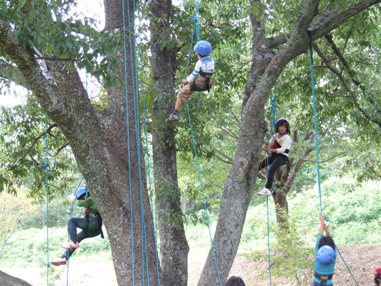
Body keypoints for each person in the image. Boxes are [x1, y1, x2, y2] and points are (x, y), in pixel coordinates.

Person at [51, 186, 103, 266]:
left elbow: (79, 204)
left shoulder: (91, 199)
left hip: (93, 224)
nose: (81, 199)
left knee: (72, 221)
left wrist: (74, 198)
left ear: (85, 195)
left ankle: (74, 242)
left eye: (82, 197)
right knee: (76, 238)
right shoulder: (90, 200)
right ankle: (64, 258)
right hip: (93, 229)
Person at [166, 40, 215, 122]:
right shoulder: (212, 60)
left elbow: (194, 73)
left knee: (181, 93)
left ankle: (175, 113)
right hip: (209, 83)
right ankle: (187, 94)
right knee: (191, 81)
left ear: (200, 54)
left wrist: (187, 81)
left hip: (200, 84)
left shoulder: (199, 62)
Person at [257, 118, 291, 196]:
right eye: (281, 126)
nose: (283, 128)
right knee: (260, 165)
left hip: (282, 157)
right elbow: (269, 144)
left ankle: (267, 189)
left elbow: (282, 149)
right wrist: (267, 145)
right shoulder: (275, 136)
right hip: (274, 156)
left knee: (271, 170)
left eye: (285, 127)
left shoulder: (287, 137)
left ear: (287, 129)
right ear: (278, 126)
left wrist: (271, 149)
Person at [312, 215, 337, 286]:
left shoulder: (318, 254)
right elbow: (332, 244)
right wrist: (328, 232)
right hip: (328, 283)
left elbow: (320, 235)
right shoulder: (333, 255)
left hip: (317, 282)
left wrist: (322, 222)